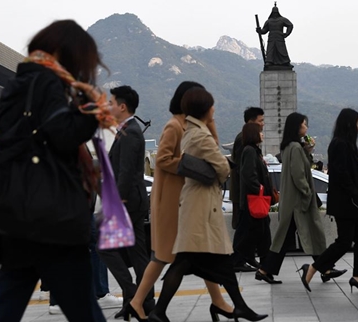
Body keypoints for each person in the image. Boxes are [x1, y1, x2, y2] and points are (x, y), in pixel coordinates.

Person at [0, 20, 105, 321]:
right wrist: (93, 113)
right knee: (83, 307)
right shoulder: (47, 82)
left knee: (9, 299)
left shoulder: (17, 83)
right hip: (49, 215)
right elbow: (61, 135)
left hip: (14, 212)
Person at [147, 87, 267, 322]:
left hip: (197, 205)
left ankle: (161, 312)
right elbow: (223, 168)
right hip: (201, 207)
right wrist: (219, 162)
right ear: (204, 109)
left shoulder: (192, 131)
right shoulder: (201, 135)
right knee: (210, 260)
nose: (214, 109)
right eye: (211, 106)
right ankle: (235, 307)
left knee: (191, 261)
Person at [128, 82, 233, 321]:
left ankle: (218, 301)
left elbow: (214, 147)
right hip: (171, 202)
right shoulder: (174, 125)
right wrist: (189, 166)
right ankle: (137, 302)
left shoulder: (193, 125)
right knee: (166, 256)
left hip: (183, 200)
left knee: (196, 253)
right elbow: (162, 159)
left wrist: (211, 120)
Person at [256, 112, 345, 285]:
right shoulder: (295, 148)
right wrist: (307, 192)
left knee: (293, 236)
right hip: (298, 203)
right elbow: (298, 175)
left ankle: (266, 270)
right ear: (297, 127)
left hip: (292, 203)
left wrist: (307, 150)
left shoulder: (290, 147)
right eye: (304, 124)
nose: (306, 127)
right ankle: (324, 267)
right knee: (311, 233)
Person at [298, 108, 358, 293]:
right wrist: (356, 196)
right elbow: (342, 175)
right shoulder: (340, 145)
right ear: (350, 125)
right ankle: (315, 268)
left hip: (351, 203)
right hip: (346, 204)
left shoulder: (344, 144)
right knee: (344, 241)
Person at [98, 85, 154, 319]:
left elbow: (127, 171)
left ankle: (134, 295)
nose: (109, 106)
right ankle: (140, 301)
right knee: (137, 253)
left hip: (127, 200)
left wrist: (117, 202)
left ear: (122, 106)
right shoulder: (127, 129)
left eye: (111, 103)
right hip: (132, 199)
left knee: (103, 243)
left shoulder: (131, 131)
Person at [236, 122, 274, 277]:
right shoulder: (250, 151)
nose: (262, 134)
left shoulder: (253, 151)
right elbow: (248, 175)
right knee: (257, 235)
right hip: (254, 201)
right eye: (260, 131)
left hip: (254, 201)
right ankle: (262, 266)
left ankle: (265, 267)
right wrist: (261, 189)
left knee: (260, 234)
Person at [231, 107, 265, 272]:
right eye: (260, 121)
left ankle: (247, 258)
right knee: (244, 227)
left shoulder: (250, 144)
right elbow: (241, 170)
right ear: (251, 122)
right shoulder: (244, 142)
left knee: (250, 228)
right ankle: (238, 260)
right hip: (244, 194)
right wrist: (256, 187)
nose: (262, 125)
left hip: (246, 193)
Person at [256, 4, 293, 69]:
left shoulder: (282, 19)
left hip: (279, 37)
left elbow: (290, 25)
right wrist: (260, 30)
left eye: (276, 13)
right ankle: (269, 61)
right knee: (270, 50)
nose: (275, 14)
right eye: (274, 13)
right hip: (271, 37)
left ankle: (285, 62)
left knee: (282, 50)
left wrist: (287, 33)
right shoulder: (269, 21)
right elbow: (265, 30)